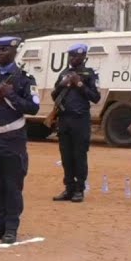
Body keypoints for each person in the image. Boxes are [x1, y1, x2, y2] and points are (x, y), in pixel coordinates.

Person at [0, 36, 39, 244]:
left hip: (13, 139)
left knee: (12, 186)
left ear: (14, 52)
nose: (0, 53)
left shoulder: (23, 78)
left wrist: (11, 95)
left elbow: (33, 108)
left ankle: (11, 228)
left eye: (4, 50)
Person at [50, 43, 100, 202]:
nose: (72, 59)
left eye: (75, 56)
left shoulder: (90, 74)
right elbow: (54, 95)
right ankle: (69, 188)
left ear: (83, 56)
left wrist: (79, 84)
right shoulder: (64, 73)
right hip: (64, 119)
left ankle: (79, 189)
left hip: (80, 120)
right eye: (70, 56)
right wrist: (61, 85)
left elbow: (95, 97)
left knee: (79, 155)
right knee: (66, 156)